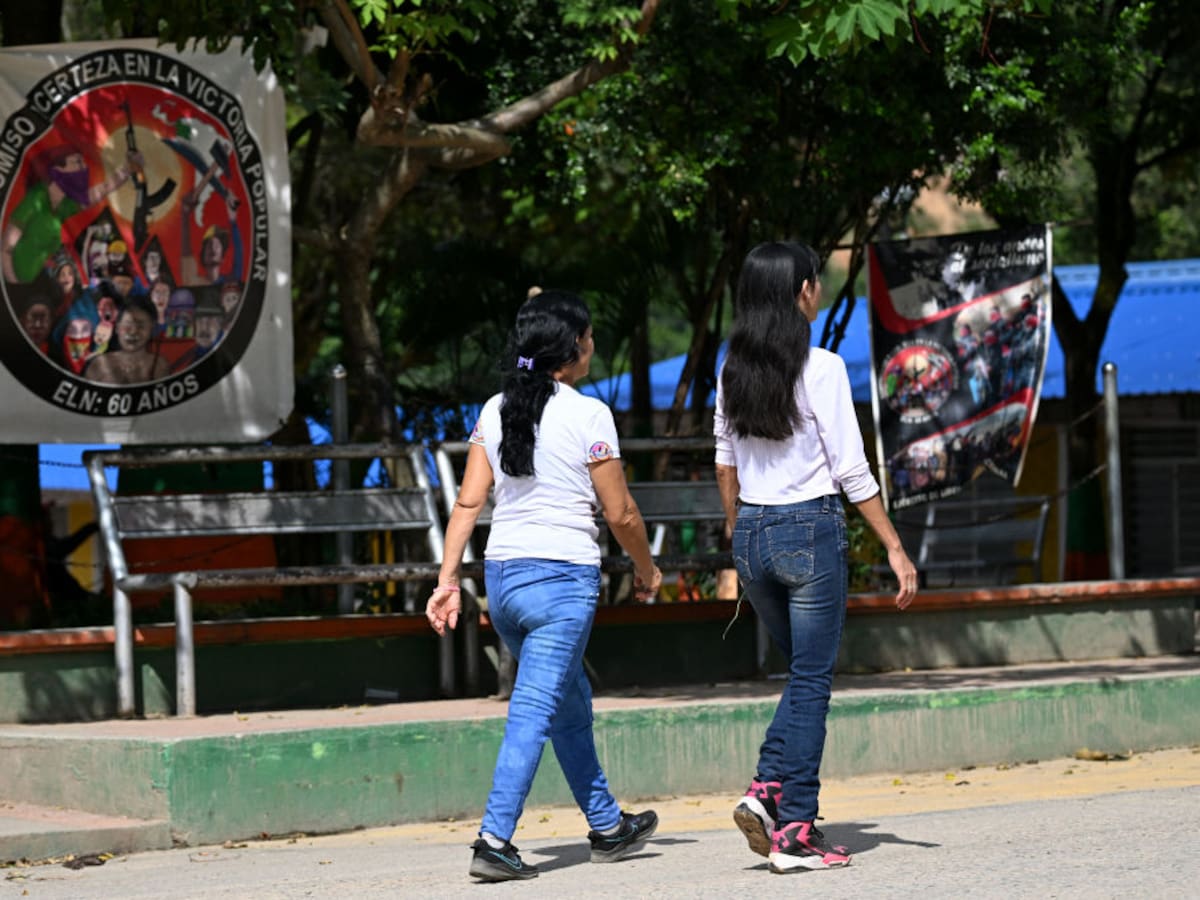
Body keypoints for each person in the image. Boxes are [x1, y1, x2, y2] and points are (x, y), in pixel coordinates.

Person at [425, 289, 664, 883]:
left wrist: (447, 578)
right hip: (561, 583)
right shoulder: (589, 414)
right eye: (587, 335)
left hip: (503, 581)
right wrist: (648, 568)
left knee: (567, 700)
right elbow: (622, 514)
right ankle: (494, 840)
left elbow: (468, 501)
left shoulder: (495, 407)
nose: (592, 344)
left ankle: (608, 827)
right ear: (571, 348)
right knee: (535, 708)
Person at [714, 241, 918, 875]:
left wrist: (738, 532)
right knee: (812, 680)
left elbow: (723, 462)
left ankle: (767, 791)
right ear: (800, 292)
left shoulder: (732, 369)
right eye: (815, 282)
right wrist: (893, 544)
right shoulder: (823, 367)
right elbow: (852, 470)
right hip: (809, 533)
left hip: (752, 534)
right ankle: (796, 830)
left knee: (802, 672)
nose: (820, 290)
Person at [84, 294, 169, 384]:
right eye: (128, 324)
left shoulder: (159, 366)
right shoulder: (98, 364)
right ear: (117, 327)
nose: (133, 331)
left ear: (151, 329)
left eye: (141, 326)